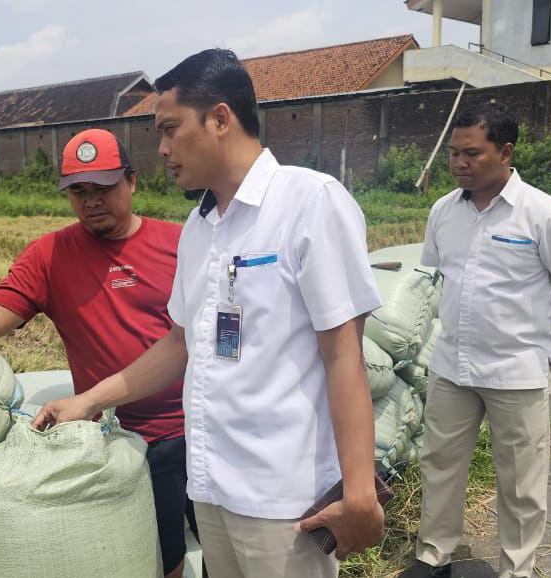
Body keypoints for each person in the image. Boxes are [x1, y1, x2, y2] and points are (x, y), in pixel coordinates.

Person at [34, 48, 385, 578]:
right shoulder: (200, 227)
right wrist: (89, 401)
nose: (163, 149)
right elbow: (181, 343)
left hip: (281, 498)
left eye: (171, 129)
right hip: (212, 486)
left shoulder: (308, 202)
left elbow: (343, 355)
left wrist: (360, 491)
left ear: (220, 119)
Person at [0, 128, 191, 578]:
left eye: (103, 186)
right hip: (129, 441)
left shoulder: (180, 243)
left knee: (232, 550)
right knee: (162, 559)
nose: (91, 200)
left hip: (202, 429)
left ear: (132, 181)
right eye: (78, 191)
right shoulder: (50, 255)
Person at [400, 103, 551, 578]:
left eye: (472, 153)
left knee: (521, 482)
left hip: (518, 371)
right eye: (454, 154)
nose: (460, 164)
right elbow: (441, 276)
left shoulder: (545, 214)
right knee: (440, 463)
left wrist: (534, 327)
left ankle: (517, 569)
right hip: (453, 368)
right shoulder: (443, 211)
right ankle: (434, 556)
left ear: (505, 152)